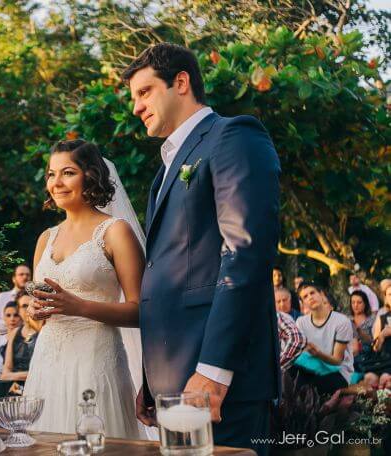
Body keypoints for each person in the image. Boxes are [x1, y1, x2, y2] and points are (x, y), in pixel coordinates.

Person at [123, 43, 281, 454]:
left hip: (221, 382)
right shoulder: (163, 174)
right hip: (173, 384)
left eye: (144, 92)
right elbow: (167, 274)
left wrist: (212, 373)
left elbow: (244, 256)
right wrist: (151, 380)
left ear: (180, 82)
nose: (136, 107)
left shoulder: (232, 136)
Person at [25, 139, 144, 439]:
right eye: (51, 174)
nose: (57, 183)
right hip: (48, 364)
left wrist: (80, 307)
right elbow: (38, 317)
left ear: (90, 176)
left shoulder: (115, 231)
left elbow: (141, 310)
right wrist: (33, 312)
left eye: (67, 173)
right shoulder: (45, 238)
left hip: (95, 362)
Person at [295, 283, 354, 395]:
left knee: (312, 387)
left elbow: (337, 360)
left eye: (312, 293)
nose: (310, 297)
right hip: (312, 367)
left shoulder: (342, 321)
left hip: (339, 372)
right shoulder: (301, 322)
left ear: (321, 295)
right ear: (303, 303)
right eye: (305, 296)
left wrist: (318, 353)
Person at [0, 265, 32, 345]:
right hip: (3, 344)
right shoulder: (1, 297)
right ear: (14, 279)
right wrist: (12, 324)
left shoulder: (34, 299)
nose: (25, 277)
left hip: (28, 343)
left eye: (27, 275)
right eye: (21, 274)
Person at [1, 292, 39, 382]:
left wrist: (13, 375)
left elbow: (44, 373)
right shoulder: (14, 333)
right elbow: (5, 373)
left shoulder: (43, 332)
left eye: (31, 305)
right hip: (16, 385)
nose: (28, 309)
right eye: (24, 306)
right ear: (18, 310)